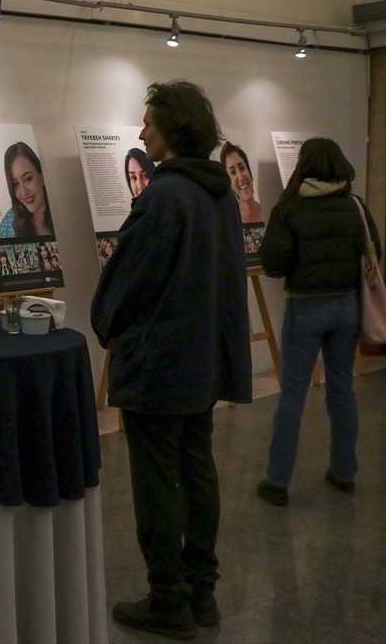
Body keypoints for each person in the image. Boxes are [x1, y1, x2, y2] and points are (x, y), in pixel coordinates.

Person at [91, 79, 251, 639]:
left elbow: (129, 280)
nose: (141, 133)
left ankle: (167, 598)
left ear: (173, 130)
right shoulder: (218, 195)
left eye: (150, 124)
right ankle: (200, 591)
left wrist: (108, 325)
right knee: (197, 470)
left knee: (157, 481)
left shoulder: (163, 196)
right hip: (202, 363)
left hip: (159, 366)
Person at [256, 138, 381, 506]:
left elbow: (274, 265)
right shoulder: (355, 206)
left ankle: (277, 482)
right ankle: (344, 473)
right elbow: (375, 252)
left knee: (293, 393)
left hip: (305, 309)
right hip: (347, 307)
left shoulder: (289, 209)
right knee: (342, 389)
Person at [0, 142, 53, 238]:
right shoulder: (10, 220)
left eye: (28, 179)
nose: (23, 192)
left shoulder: (62, 211)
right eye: (15, 184)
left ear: (42, 177)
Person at [219, 142, 264, 224]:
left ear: (249, 170)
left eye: (242, 168)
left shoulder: (267, 211)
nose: (240, 178)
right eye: (233, 172)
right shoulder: (230, 222)